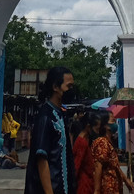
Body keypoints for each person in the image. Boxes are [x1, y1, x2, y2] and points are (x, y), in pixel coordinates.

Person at [24, 66, 76, 194]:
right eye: (68, 86)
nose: (71, 90)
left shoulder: (60, 114)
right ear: (55, 87)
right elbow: (42, 159)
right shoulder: (46, 116)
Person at [92, 112, 134, 194]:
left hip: (114, 187)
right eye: (113, 121)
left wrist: (126, 180)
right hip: (107, 188)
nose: (115, 124)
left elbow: (115, 165)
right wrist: (96, 190)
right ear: (105, 125)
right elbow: (98, 167)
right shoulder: (102, 142)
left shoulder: (108, 142)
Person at [73, 113, 96, 194]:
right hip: (83, 184)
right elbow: (77, 164)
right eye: (95, 127)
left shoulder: (84, 140)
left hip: (86, 182)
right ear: (88, 126)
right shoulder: (82, 142)